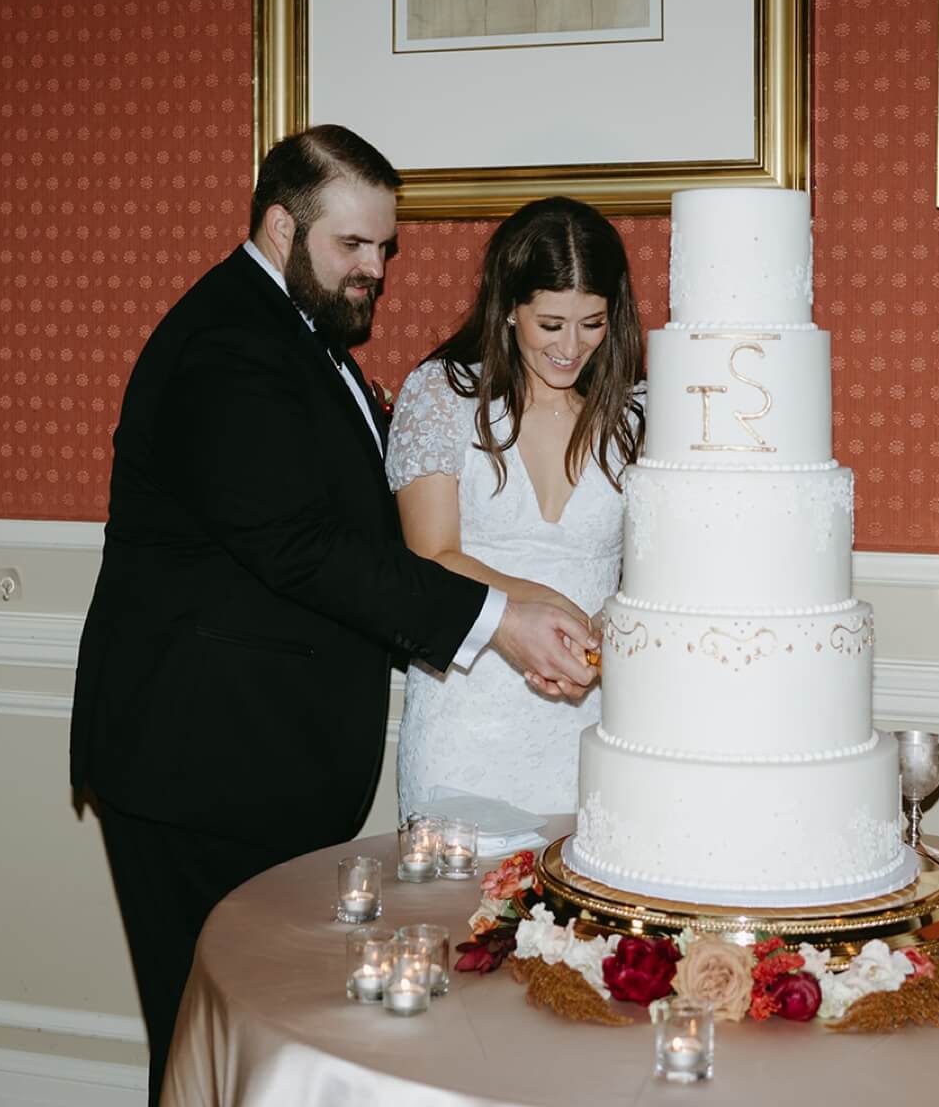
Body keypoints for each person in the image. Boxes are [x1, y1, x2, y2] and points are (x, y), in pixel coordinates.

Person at [69, 126, 596, 1105]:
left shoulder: (293, 337)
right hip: (196, 759)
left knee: (248, 1035)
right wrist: (497, 618)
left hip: (246, 760)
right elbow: (300, 547)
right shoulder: (230, 345)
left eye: (385, 249)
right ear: (281, 224)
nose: (376, 270)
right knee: (211, 1042)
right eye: (354, 245)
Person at [387, 197, 643, 819]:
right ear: (508, 309)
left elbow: (647, 574)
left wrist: (610, 635)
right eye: (551, 324)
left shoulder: (635, 414)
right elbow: (430, 555)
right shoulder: (443, 395)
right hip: (465, 720)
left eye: (593, 322)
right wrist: (536, 602)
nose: (571, 346)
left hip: (594, 720)